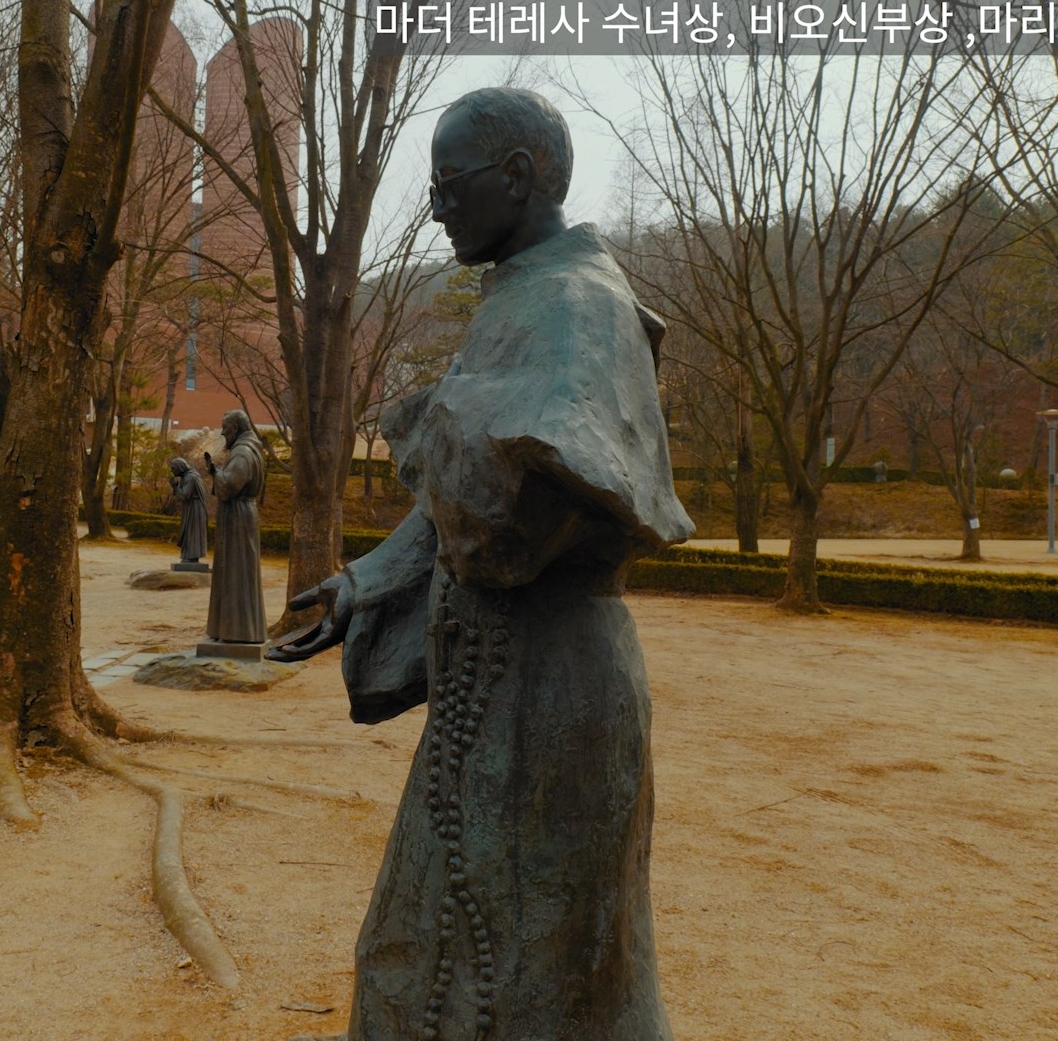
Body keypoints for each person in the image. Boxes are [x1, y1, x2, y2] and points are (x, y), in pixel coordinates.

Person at [271, 88, 691, 1039]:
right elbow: (453, 501)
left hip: (551, 689)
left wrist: (436, 426)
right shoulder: (523, 296)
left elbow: (506, 519)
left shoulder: (579, 307)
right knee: (424, 956)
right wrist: (367, 581)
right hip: (503, 685)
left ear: (517, 176)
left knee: (542, 978)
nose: (437, 209)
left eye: (449, 184)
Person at [204, 409, 267, 645]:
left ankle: (237, 632)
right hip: (239, 515)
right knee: (235, 572)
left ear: (236, 429)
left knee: (237, 573)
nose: (222, 433)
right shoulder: (247, 449)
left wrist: (215, 472)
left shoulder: (243, 452)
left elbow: (230, 486)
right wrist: (217, 472)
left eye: (225, 429)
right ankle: (231, 629)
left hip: (238, 517)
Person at [168, 456, 208, 566]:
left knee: (192, 531)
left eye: (173, 468)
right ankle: (188, 555)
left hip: (195, 509)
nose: (171, 470)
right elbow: (181, 496)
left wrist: (175, 487)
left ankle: (192, 556)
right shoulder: (186, 477)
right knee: (189, 531)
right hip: (190, 507)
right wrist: (176, 487)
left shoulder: (191, 478)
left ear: (180, 467)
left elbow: (185, 495)